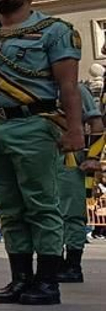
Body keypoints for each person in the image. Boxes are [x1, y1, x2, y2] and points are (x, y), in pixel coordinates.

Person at [0, 0, 84, 306]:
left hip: (33, 123)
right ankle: (20, 278)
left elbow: (68, 86)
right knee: (9, 206)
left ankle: (47, 279)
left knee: (41, 203)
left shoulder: (54, 30)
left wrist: (75, 129)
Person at [59, 79, 104, 280]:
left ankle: (73, 265)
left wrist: (93, 156)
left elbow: (97, 124)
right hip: (38, 158)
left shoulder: (75, 89)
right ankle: (53, 261)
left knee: (72, 213)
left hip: (68, 158)